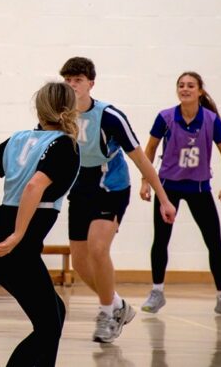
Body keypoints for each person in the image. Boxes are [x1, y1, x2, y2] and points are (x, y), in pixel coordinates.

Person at [60, 56, 177, 343]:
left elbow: (141, 159)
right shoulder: (59, 115)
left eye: (78, 80)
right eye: (68, 80)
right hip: (80, 186)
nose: (73, 85)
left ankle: (106, 314)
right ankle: (117, 305)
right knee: (79, 262)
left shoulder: (110, 117)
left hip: (111, 186)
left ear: (91, 84)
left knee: (98, 249)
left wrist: (163, 199)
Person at [0, 82, 80, 367]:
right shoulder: (65, 145)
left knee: (55, 313)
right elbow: (34, 187)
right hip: (13, 247)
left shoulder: (18, 139)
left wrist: (11, 162)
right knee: (48, 326)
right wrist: (19, 234)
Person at [139, 71, 221, 317]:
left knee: (213, 241)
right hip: (168, 187)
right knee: (161, 239)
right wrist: (145, 182)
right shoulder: (165, 117)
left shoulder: (211, 120)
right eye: (181, 85)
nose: (185, 89)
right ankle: (157, 292)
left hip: (199, 187)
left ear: (200, 91)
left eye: (190, 85)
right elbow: (149, 149)